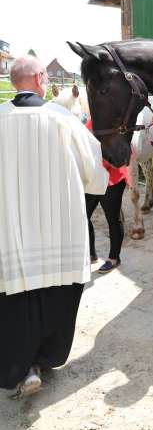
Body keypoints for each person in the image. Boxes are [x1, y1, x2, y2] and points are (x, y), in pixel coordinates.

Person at [0, 56, 108, 398]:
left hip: (11, 232)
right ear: (39, 77)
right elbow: (93, 168)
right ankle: (44, 359)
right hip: (57, 231)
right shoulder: (62, 119)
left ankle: (20, 365)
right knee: (56, 291)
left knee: (16, 296)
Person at [85, 117, 128, 273]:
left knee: (113, 220)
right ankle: (90, 254)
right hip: (92, 179)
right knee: (83, 215)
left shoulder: (116, 125)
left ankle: (114, 258)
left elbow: (118, 155)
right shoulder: (89, 122)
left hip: (112, 179)